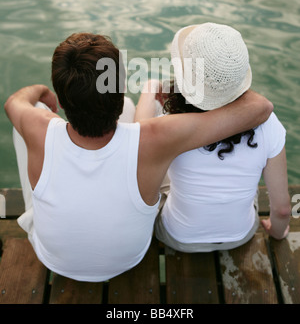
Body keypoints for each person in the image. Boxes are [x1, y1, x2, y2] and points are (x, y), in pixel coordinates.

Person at [4, 32, 273, 281]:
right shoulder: (155, 138)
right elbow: (261, 107)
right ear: (119, 92)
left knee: (29, 119)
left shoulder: (39, 129)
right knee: (132, 110)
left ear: (62, 104)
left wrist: (42, 91)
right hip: (129, 259)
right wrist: (221, 85)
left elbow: (13, 102)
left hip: (54, 258)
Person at [135, 23, 291, 252]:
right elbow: (283, 210)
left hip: (179, 237)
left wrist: (150, 87)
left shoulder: (171, 123)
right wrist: (278, 233)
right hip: (241, 235)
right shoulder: (269, 124)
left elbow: (140, 137)